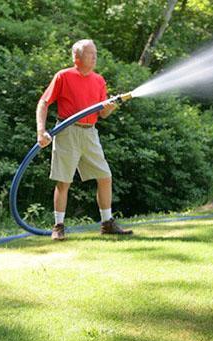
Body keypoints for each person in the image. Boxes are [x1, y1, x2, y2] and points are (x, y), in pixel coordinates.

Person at [36, 39, 133, 240]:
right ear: (76, 58)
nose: (95, 57)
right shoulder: (63, 76)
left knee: (105, 177)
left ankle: (107, 223)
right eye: (90, 54)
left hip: (90, 132)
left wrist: (110, 107)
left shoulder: (99, 80)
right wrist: (41, 131)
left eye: (95, 53)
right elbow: (43, 103)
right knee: (64, 181)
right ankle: (58, 226)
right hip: (67, 131)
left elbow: (102, 114)